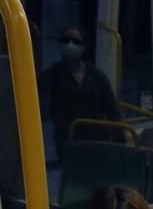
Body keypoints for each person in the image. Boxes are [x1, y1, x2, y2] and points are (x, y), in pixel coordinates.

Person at [38, 27, 124, 159]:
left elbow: (111, 108)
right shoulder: (53, 75)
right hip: (68, 140)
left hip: (97, 139)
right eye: (66, 40)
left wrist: (119, 140)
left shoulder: (96, 76)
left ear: (84, 46)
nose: (70, 45)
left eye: (75, 41)